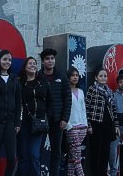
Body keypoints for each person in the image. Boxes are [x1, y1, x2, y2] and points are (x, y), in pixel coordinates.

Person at [39, 48, 72, 176]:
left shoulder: (62, 77)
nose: (50, 61)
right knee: (38, 150)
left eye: (52, 58)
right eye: (47, 59)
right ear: (43, 61)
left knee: (56, 152)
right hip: (41, 120)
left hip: (58, 120)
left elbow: (68, 99)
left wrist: (65, 119)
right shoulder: (38, 76)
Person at [18, 56, 48, 176]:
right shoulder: (19, 82)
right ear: (25, 67)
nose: (32, 65)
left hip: (38, 123)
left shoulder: (43, 81)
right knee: (23, 156)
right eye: (30, 63)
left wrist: (47, 114)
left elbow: (50, 100)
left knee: (34, 155)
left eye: (34, 63)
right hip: (24, 123)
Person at [85, 68, 119, 176]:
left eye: (105, 76)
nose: (103, 78)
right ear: (96, 77)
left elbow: (113, 109)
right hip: (96, 124)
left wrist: (116, 125)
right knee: (96, 152)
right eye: (101, 76)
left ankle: (103, 173)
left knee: (105, 152)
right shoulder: (92, 89)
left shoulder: (109, 91)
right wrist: (89, 124)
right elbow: (86, 108)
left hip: (108, 125)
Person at [66, 68, 89, 176]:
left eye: (77, 75)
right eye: (73, 75)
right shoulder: (65, 91)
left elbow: (83, 108)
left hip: (82, 127)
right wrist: (69, 126)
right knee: (77, 158)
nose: (75, 77)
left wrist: (86, 124)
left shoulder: (81, 91)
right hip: (71, 127)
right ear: (68, 77)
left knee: (72, 157)